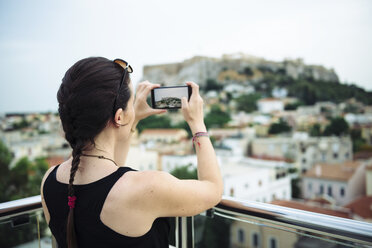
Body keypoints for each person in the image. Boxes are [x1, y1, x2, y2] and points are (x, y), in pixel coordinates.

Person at [41, 57, 223, 248]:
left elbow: (109, 174)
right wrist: (198, 123)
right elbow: (213, 189)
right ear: (118, 116)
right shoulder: (146, 188)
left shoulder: (50, 180)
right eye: (131, 103)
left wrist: (131, 118)